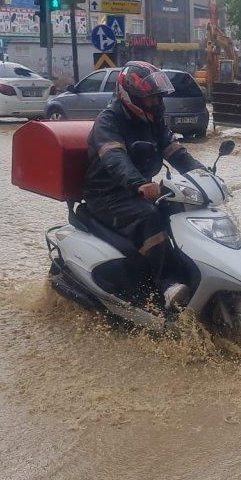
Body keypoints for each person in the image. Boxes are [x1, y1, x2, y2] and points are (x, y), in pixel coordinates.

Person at [84, 61, 206, 307]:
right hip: (107, 195)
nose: (157, 102)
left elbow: (175, 151)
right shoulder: (109, 121)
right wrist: (138, 183)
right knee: (150, 216)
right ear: (131, 96)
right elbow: (115, 159)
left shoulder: (153, 120)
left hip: (138, 190)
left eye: (158, 97)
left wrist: (202, 175)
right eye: (151, 98)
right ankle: (168, 283)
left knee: (180, 209)